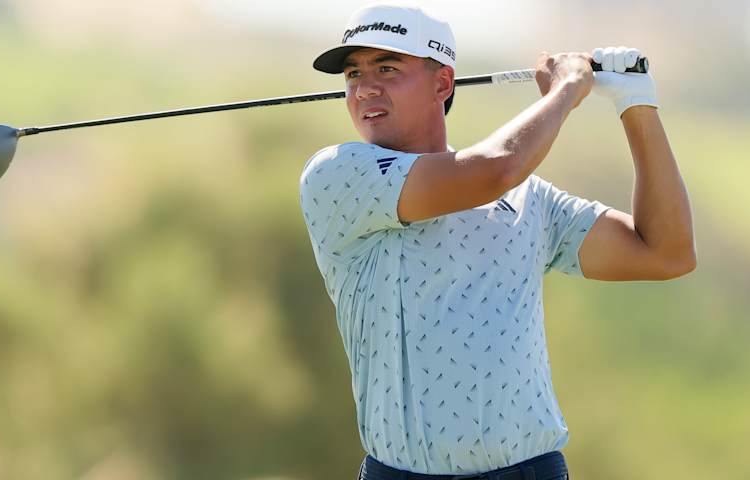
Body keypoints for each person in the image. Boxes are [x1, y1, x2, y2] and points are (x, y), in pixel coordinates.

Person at [298, 3, 696, 480]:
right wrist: (567, 90)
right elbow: (496, 167)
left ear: (442, 83)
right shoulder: (338, 175)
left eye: (387, 67)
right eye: (353, 73)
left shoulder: (528, 200)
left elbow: (666, 251)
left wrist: (636, 104)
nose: (365, 87)